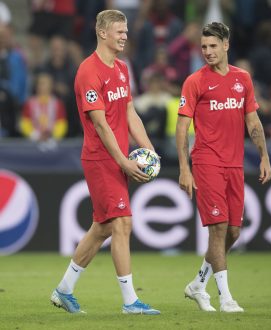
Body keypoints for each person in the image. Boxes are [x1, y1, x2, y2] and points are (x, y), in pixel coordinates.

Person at [50, 9, 160, 315]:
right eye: (119, 31)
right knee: (122, 223)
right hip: (101, 159)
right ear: (102, 32)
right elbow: (100, 124)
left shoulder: (122, 68)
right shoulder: (88, 71)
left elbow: (129, 113)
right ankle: (130, 302)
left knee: (102, 228)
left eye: (126, 31)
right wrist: (124, 161)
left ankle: (63, 290)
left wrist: (148, 149)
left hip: (119, 157)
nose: (125, 36)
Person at [176, 22, 271, 313]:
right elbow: (182, 129)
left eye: (213, 46)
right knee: (217, 229)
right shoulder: (195, 81)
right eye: (204, 47)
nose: (208, 52)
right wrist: (184, 167)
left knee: (233, 233)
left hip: (235, 164)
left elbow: (253, 122)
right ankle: (226, 297)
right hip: (207, 162)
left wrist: (264, 156)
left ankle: (197, 285)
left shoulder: (243, 79)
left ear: (226, 45)